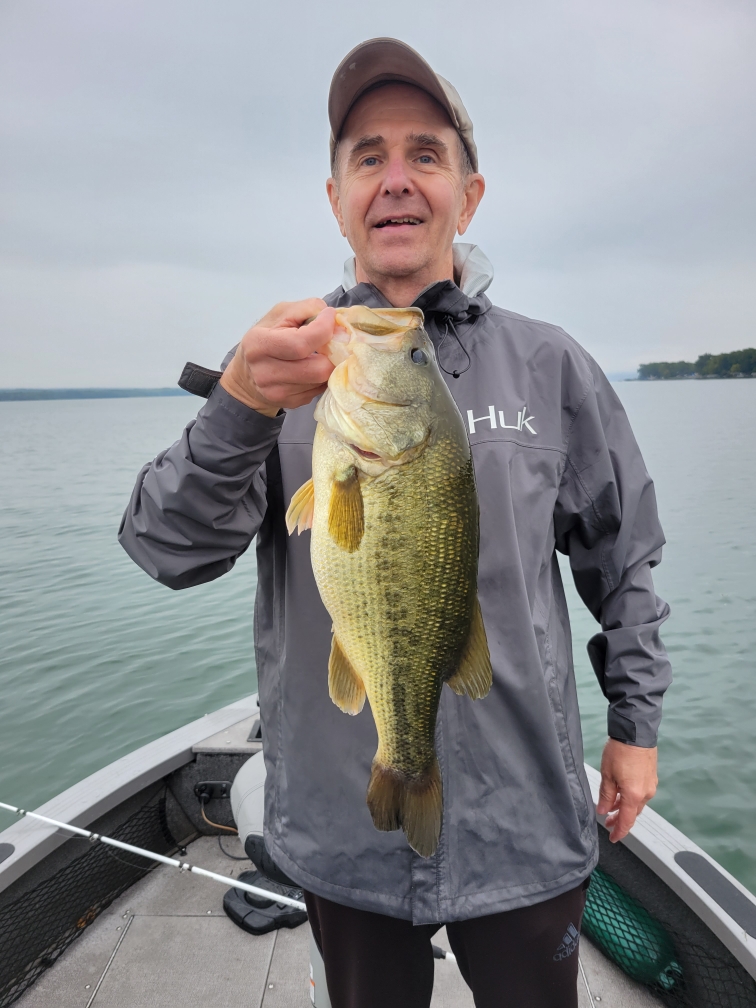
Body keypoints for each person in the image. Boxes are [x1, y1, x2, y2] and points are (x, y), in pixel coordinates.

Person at [119, 37, 671, 1008]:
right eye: (366, 156)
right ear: (333, 197)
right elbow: (167, 548)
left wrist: (636, 723)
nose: (397, 180)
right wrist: (238, 403)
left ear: (471, 191)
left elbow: (622, 555)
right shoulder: (277, 371)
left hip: (526, 819)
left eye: (426, 152)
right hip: (345, 827)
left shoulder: (552, 366)